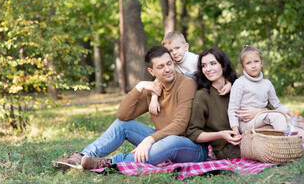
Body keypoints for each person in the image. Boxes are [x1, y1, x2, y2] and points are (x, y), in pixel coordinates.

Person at [52, 45, 208, 171]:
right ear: (151, 71)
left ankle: (109, 162)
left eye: (169, 63)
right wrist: (139, 87)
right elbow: (123, 115)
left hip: (191, 147)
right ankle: (82, 156)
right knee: (123, 126)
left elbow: (180, 125)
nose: (167, 69)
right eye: (160, 67)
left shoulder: (186, 84)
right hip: (163, 140)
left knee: (172, 141)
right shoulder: (153, 90)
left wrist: (149, 140)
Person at [227, 45, 304, 141]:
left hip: (262, 118)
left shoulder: (267, 84)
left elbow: (277, 105)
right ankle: (290, 141)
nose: (253, 65)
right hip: (246, 123)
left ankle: (298, 138)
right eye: (248, 63)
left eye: (256, 61)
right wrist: (236, 131)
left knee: (297, 121)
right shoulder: (240, 83)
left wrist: (290, 112)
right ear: (243, 67)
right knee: (276, 116)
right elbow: (232, 109)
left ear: (261, 63)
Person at [149, 32, 231, 115]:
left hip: (205, 94)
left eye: (177, 48)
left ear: (186, 47)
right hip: (187, 98)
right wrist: (154, 98)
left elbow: (218, 72)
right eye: (170, 50)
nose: (174, 52)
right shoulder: (172, 66)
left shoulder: (196, 60)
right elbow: (158, 82)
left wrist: (228, 83)